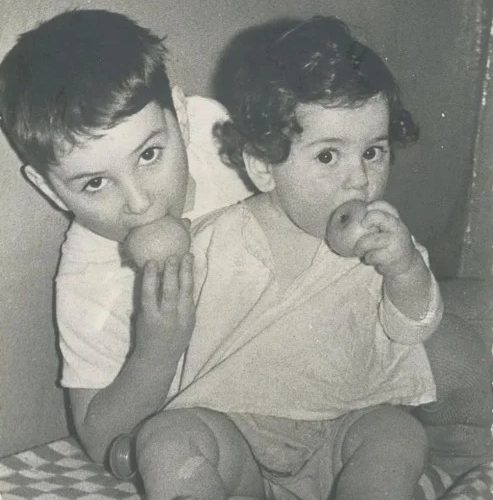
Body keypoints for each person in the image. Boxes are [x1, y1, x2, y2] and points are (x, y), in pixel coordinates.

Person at [135, 16, 492, 500]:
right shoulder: (215, 242)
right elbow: (169, 338)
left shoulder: (384, 245)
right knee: (167, 438)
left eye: (373, 152)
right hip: (236, 435)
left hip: (340, 434)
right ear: (263, 166)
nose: (358, 179)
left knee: (398, 434)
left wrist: (405, 268)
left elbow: (416, 327)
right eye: (328, 156)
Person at [0, 8, 252, 474]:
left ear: (183, 117)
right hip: (231, 439)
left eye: (149, 154)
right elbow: (100, 441)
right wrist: (157, 351)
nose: (139, 203)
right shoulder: (89, 277)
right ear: (48, 188)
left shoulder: (216, 135)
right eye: (95, 183)